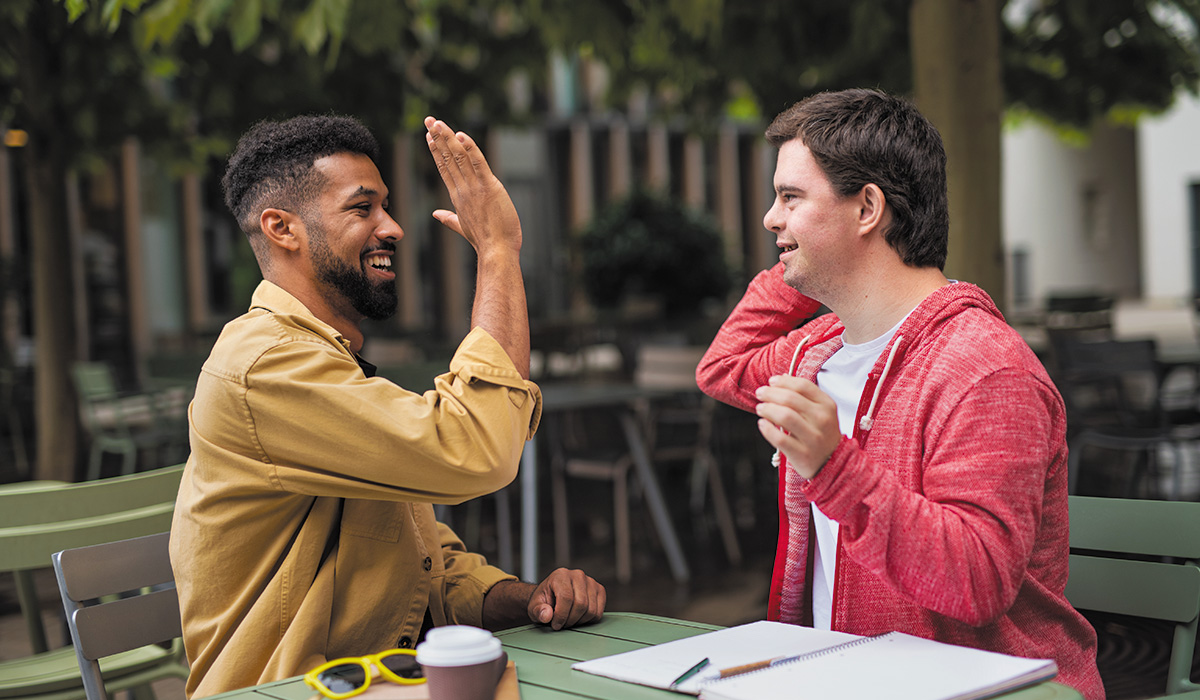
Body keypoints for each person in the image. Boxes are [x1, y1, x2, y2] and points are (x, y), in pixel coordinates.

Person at [169, 114, 605, 698]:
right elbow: (474, 450)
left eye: (386, 207)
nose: (394, 228)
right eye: (362, 208)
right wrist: (498, 251)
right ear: (282, 228)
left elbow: (425, 566)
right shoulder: (265, 364)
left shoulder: (321, 358)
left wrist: (529, 600)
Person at [695, 89, 1103, 700]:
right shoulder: (819, 350)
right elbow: (722, 366)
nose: (769, 218)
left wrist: (834, 467)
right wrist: (807, 267)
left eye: (790, 198)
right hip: (850, 679)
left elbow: (977, 582)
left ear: (867, 208)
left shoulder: (985, 369)